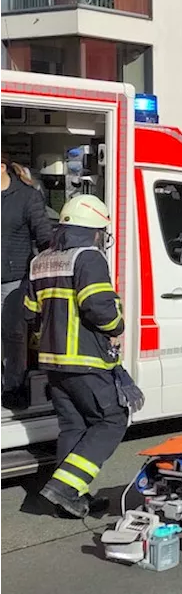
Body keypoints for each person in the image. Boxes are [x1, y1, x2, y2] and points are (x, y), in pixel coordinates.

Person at [25, 195, 125, 517]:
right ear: (94, 229)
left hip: (53, 361)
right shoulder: (89, 258)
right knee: (112, 419)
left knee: (74, 426)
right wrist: (117, 324)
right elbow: (98, 307)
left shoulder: (41, 260)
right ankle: (66, 487)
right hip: (86, 359)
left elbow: (29, 313)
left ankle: (69, 501)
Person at [0, 155, 54, 410]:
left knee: (14, 336)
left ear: (1, 167)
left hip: (12, 279)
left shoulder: (27, 197)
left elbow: (43, 236)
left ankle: (14, 387)